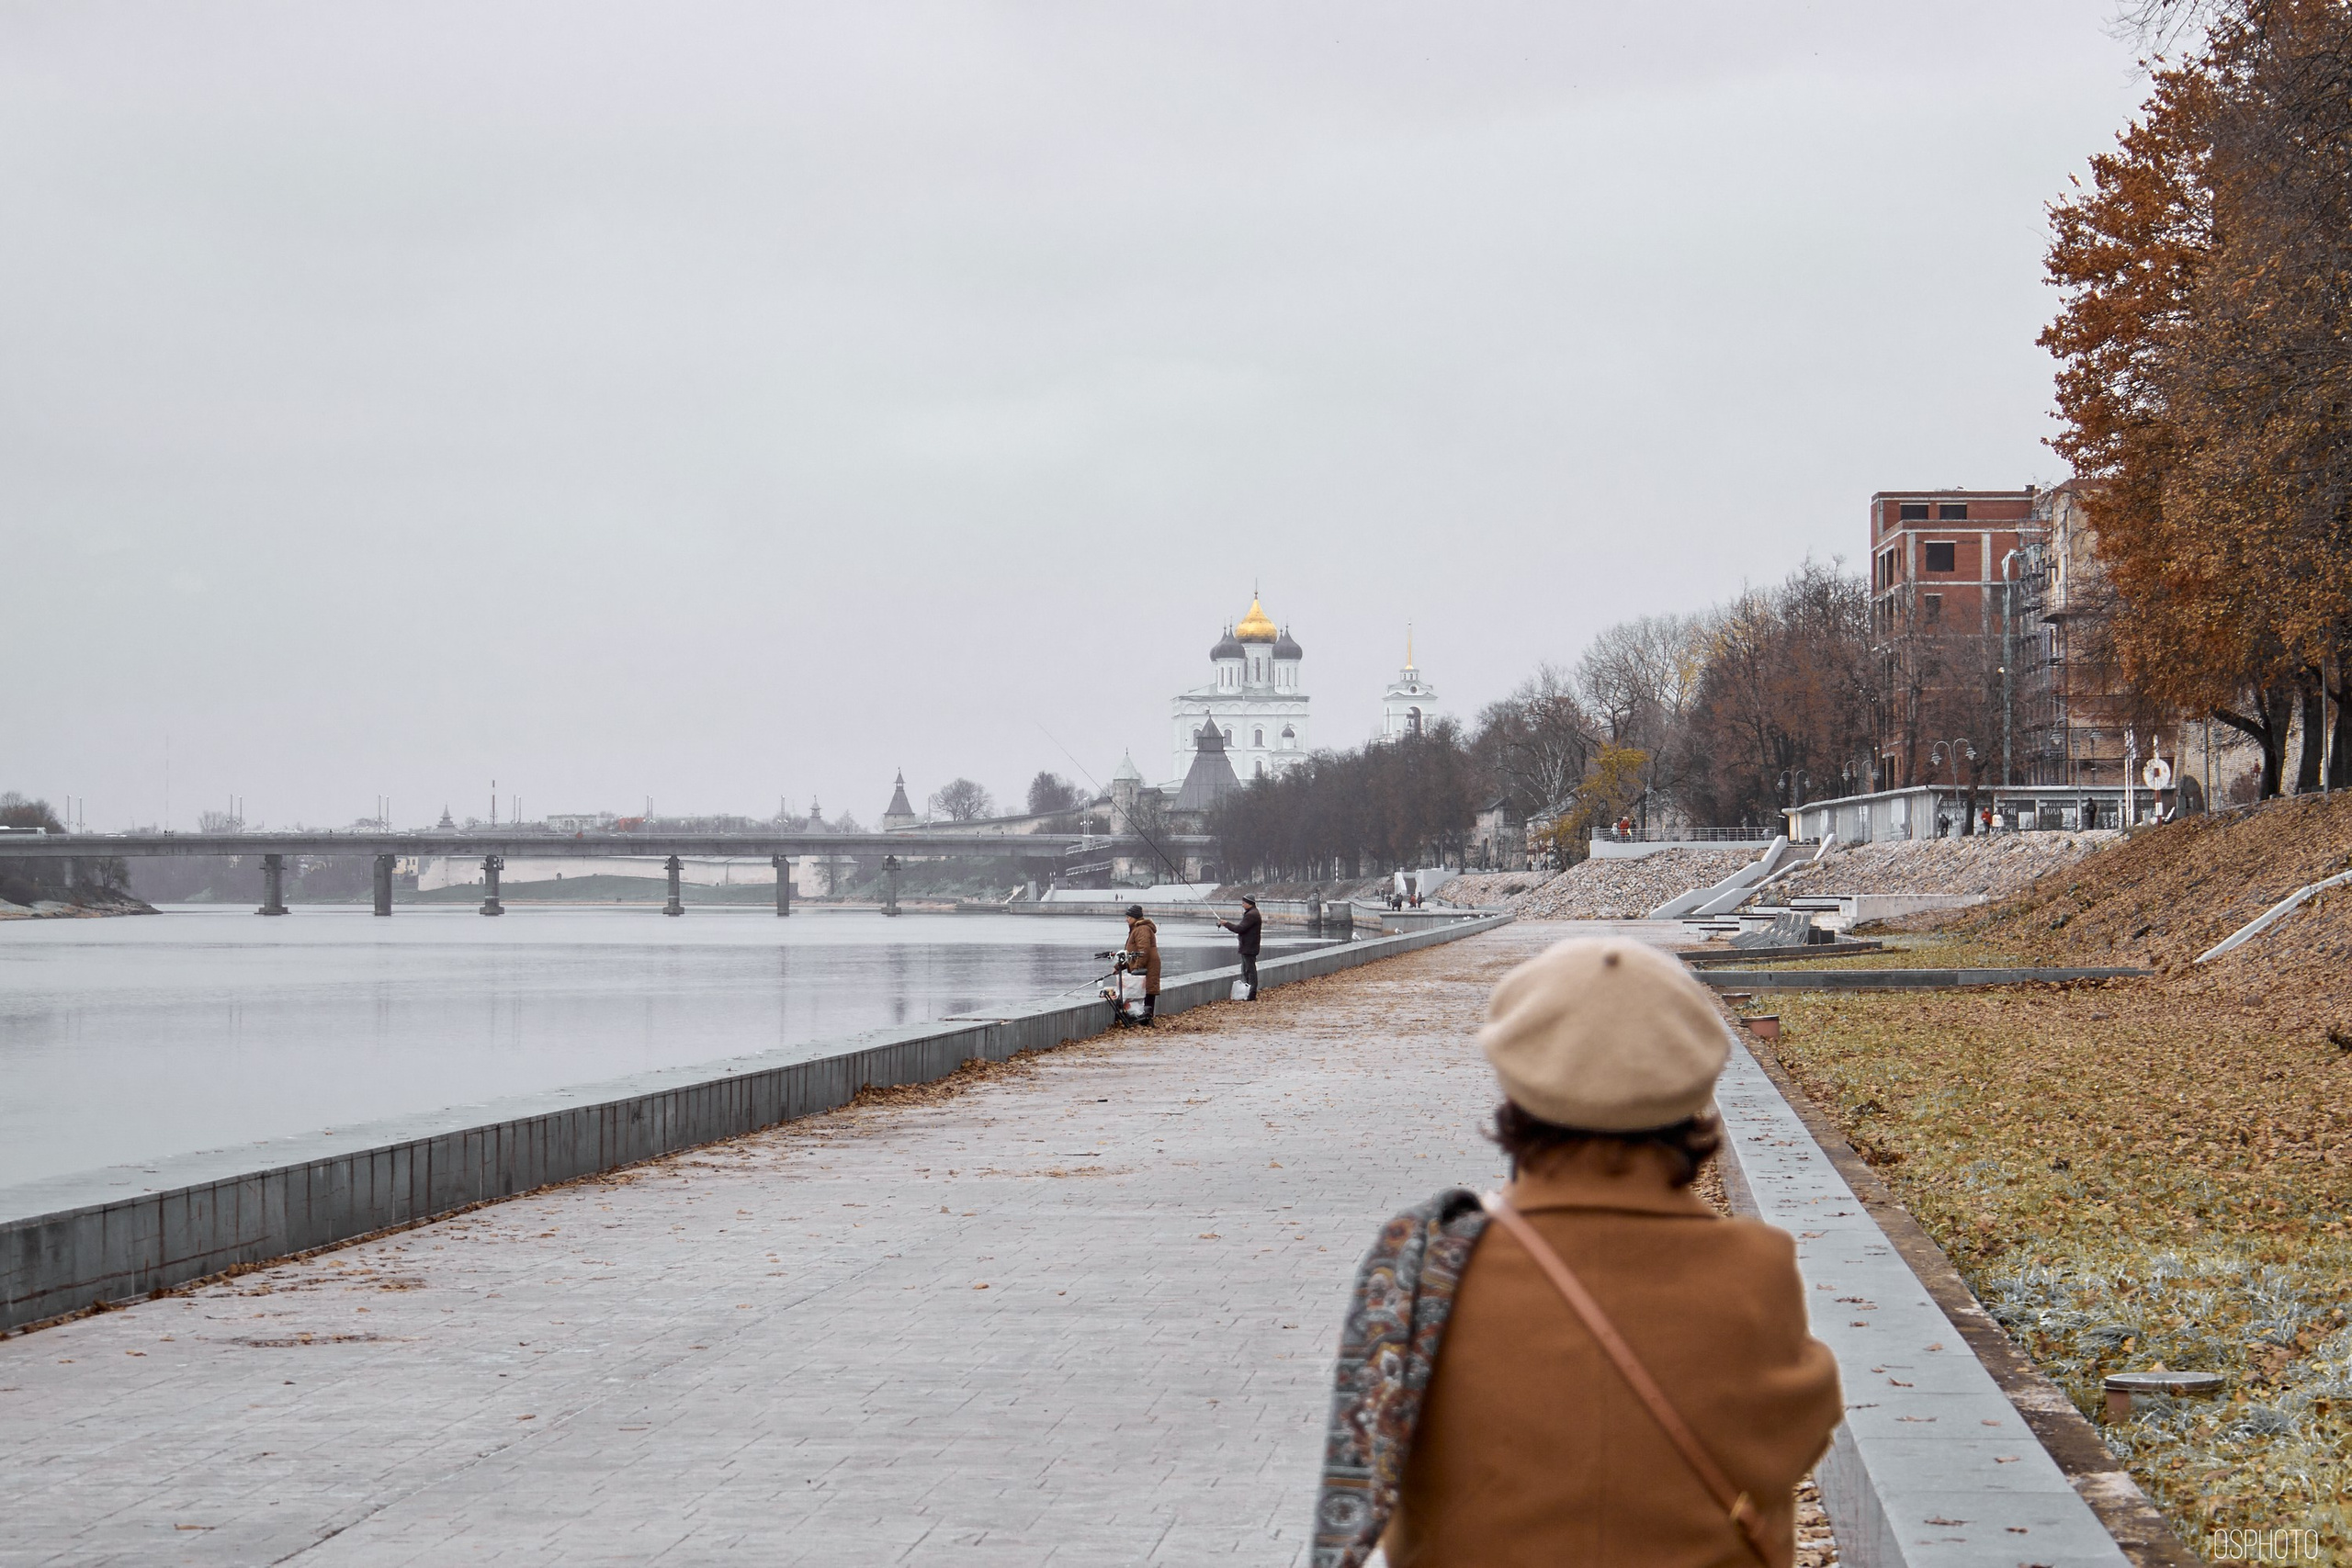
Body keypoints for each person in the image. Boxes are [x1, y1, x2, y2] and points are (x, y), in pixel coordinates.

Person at [1314, 937, 1842, 1568]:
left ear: (1518, 1086)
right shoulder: (1756, 1270)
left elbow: (1375, 1465)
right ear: (1691, 1089)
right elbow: (1803, 1427)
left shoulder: (1425, 1263)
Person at [1217, 895, 1263, 998]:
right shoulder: (1253, 913)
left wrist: (1226, 924)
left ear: (1249, 903)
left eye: (1243, 903)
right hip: (1248, 947)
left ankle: (1251, 993)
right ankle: (1246, 992)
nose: (1242, 905)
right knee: (1246, 970)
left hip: (1249, 947)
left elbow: (1239, 929)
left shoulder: (1251, 915)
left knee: (1249, 970)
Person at [1123, 903, 1161, 1024]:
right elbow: (1130, 953)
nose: (1126, 920)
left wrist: (1137, 968)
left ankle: (1146, 1020)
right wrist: (1120, 966)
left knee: (1148, 992)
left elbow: (1143, 950)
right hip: (1145, 966)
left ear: (1134, 917)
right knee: (1146, 992)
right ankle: (1144, 1019)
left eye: (1128, 917)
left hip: (1147, 967)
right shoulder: (1137, 929)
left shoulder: (1142, 929)